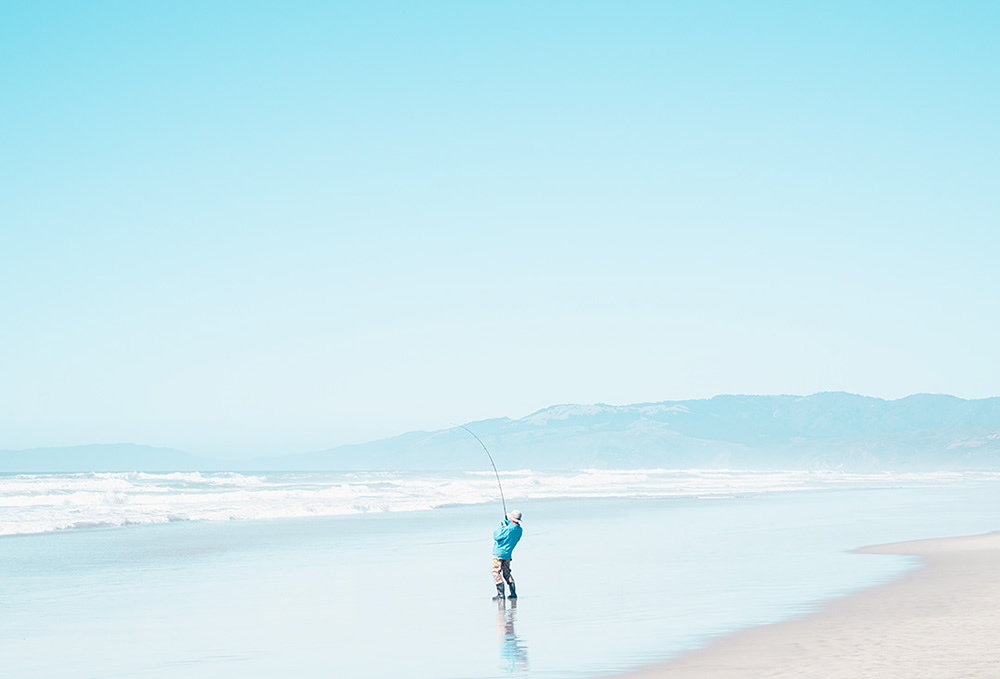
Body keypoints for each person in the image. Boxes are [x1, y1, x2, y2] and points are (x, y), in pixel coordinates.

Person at [491, 510, 523, 600]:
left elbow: (496, 536)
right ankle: (513, 593)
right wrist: (507, 526)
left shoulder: (507, 529)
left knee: (496, 572)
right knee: (507, 573)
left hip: (498, 553)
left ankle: (501, 594)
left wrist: (502, 527)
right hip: (508, 554)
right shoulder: (519, 530)